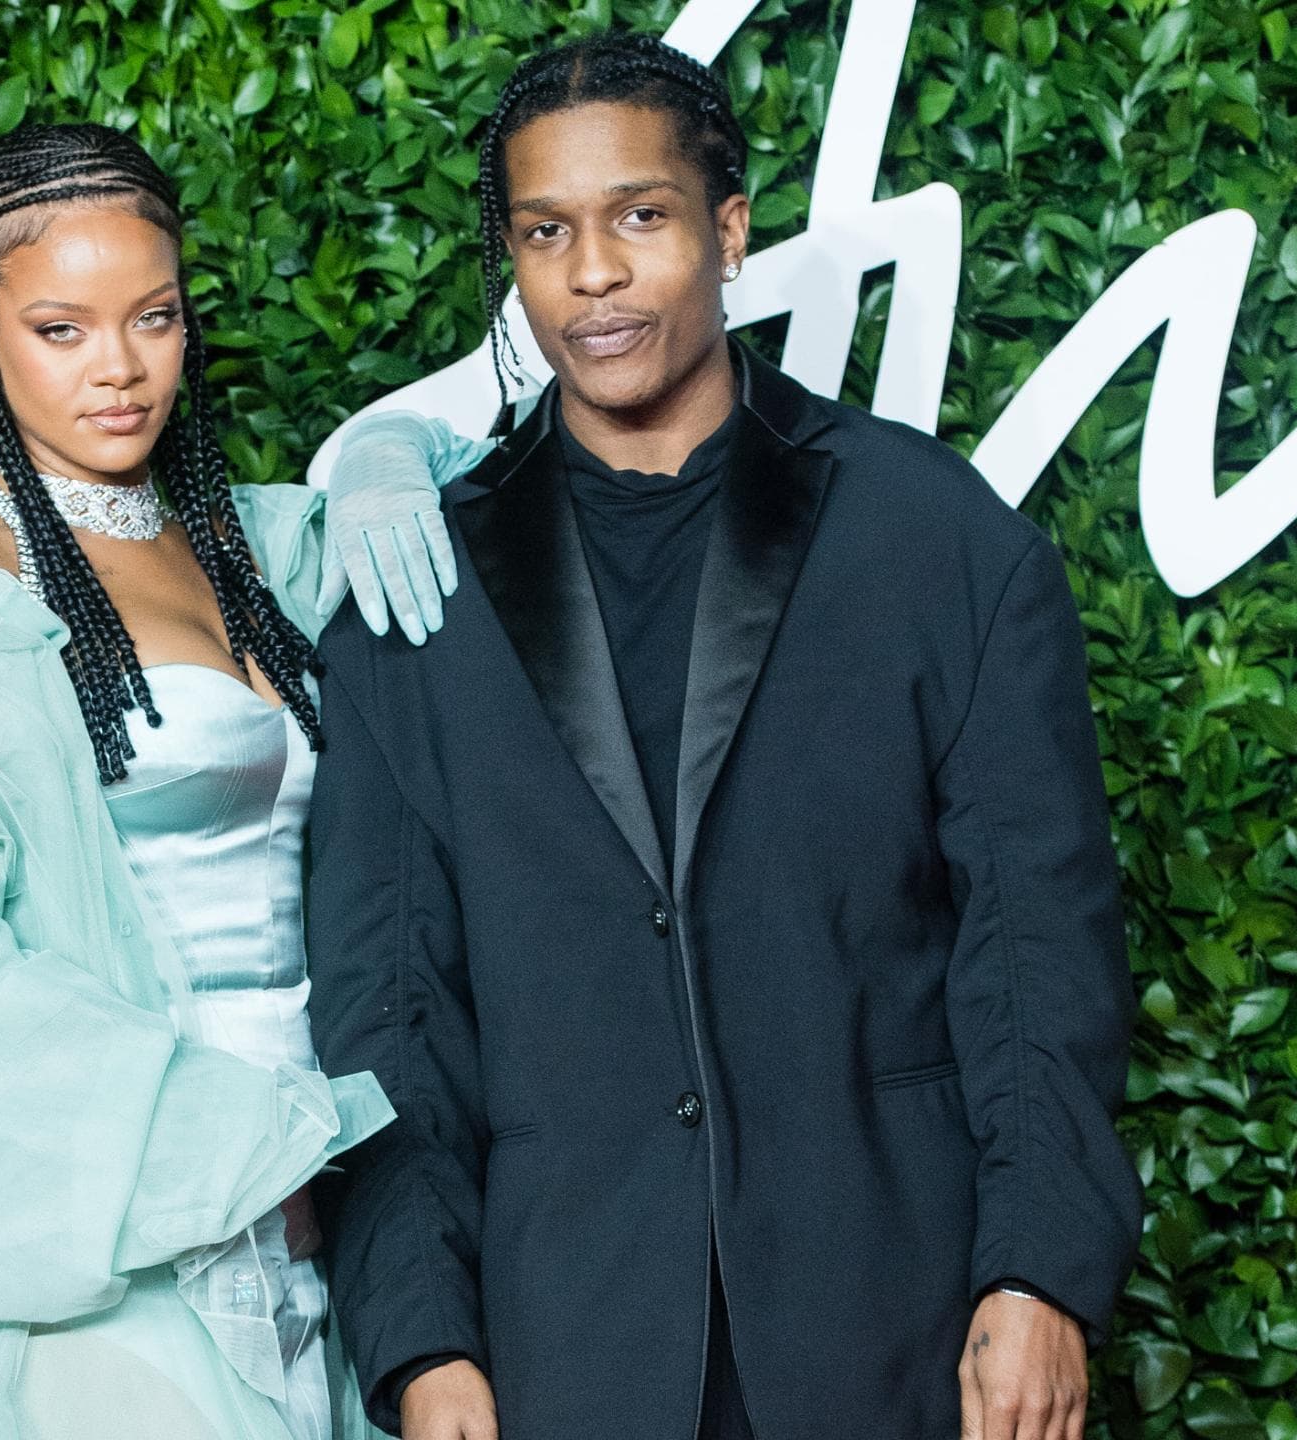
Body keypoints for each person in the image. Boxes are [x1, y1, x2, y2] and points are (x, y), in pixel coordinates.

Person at [306, 34, 1143, 1440]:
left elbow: (1035, 947)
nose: (594, 273)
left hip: (902, 1324)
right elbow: (391, 1013)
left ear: (731, 230)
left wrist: (1039, 1270)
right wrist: (420, 1339)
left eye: (640, 215)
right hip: (560, 1347)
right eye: (545, 233)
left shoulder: (936, 538)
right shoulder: (416, 593)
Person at [0, 123, 461, 1440]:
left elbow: (511, 485)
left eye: (153, 318)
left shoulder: (251, 547)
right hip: (116, 1250)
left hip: (331, 1218)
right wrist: (235, 1145)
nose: (118, 368)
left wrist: (396, 447)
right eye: (61, 329)